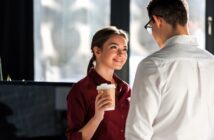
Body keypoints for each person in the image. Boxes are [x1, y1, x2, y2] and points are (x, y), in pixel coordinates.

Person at [125, 0, 214, 140]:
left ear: (157, 21)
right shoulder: (211, 62)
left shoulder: (152, 65)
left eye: (150, 26)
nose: (152, 33)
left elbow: (137, 133)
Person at [66, 26, 131, 140]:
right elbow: (74, 138)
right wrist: (97, 117)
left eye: (124, 49)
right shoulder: (80, 90)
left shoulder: (126, 89)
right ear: (97, 51)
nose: (121, 54)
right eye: (114, 47)